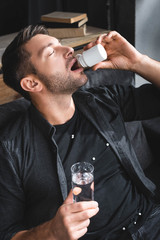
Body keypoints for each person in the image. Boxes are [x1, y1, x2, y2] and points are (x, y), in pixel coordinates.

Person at [0, 25, 160, 240]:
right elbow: (7, 232)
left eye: (60, 44)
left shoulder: (102, 100)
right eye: (50, 51)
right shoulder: (11, 148)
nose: (67, 50)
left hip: (151, 219)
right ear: (32, 83)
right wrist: (52, 232)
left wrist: (138, 62)